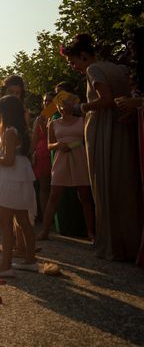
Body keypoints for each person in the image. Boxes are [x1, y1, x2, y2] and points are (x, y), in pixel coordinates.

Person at [62, 33, 142, 261]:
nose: (74, 67)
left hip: (105, 131)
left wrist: (80, 107)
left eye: (73, 61)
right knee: (125, 186)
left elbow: (105, 99)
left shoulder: (93, 70)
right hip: (123, 129)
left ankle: (113, 245)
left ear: (84, 55)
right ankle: (131, 243)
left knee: (105, 186)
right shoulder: (120, 69)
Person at [0, 95, 38, 278]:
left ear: (5, 113)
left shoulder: (9, 132)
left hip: (10, 178)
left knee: (5, 222)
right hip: (19, 176)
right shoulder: (18, 130)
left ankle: (5, 265)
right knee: (22, 220)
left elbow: (8, 160)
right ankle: (30, 260)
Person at [37, 98, 94, 241]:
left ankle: (91, 232)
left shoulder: (82, 119)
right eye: (61, 105)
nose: (64, 107)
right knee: (54, 195)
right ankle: (45, 231)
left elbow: (85, 140)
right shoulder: (53, 123)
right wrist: (58, 145)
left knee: (85, 196)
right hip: (61, 159)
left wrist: (72, 145)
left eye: (67, 104)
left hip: (79, 157)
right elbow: (49, 145)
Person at [32, 93, 54, 220]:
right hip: (41, 155)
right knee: (43, 186)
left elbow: (52, 135)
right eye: (45, 101)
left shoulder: (56, 116)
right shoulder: (40, 118)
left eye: (50, 101)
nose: (47, 103)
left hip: (53, 151)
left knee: (54, 186)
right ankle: (45, 216)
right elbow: (34, 139)